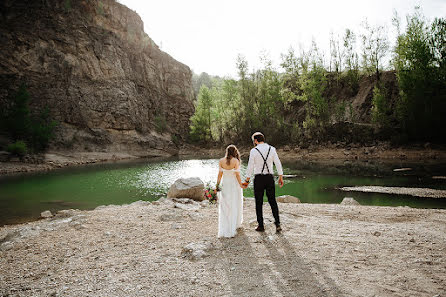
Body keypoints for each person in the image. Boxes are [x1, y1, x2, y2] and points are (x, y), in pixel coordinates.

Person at [244, 132, 283, 233]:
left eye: (253, 140)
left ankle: (261, 225)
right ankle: (278, 223)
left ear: (256, 140)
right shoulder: (272, 149)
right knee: (272, 201)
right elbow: (277, 163)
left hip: (259, 178)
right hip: (270, 178)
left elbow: (250, 166)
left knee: (259, 202)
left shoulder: (254, 151)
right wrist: (281, 176)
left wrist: (247, 180)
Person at [216, 145, 245, 238]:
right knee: (234, 204)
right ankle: (234, 225)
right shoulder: (236, 161)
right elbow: (237, 175)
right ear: (234, 152)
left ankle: (225, 226)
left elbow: (220, 175)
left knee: (225, 205)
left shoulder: (221, 161)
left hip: (225, 185)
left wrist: (217, 186)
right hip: (234, 185)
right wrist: (241, 184)